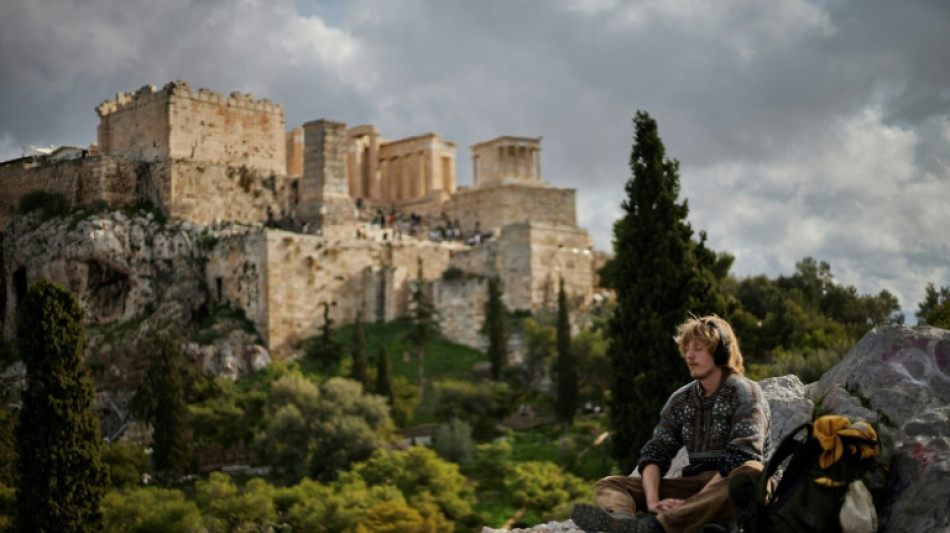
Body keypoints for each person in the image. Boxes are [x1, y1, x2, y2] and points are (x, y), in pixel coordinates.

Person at [571, 314, 771, 533]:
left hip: (730, 488)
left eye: (698, 348)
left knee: (751, 471)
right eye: (687, 349)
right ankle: (625, 524)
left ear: (721, 352)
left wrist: (690, 505)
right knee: (609, 484)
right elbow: (656, 452)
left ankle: (658, 526)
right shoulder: (681, 399)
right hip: (694, 486)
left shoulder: (744, 391)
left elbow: (741, 456)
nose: (689, 356)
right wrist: (653, 502)